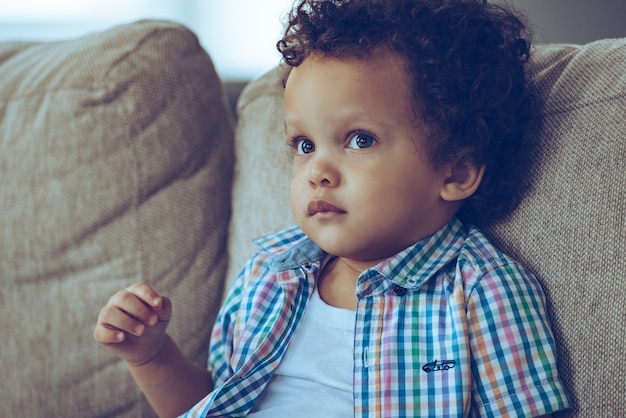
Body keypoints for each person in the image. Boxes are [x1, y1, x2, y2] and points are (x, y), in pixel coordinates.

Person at [94, 0, 572, 416]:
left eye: (359, 140)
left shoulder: (484, 291)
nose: (316, 171)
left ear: (456, 171)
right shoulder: (269, 273)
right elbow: (213, 404)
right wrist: (151, 356)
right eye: (303, 144)